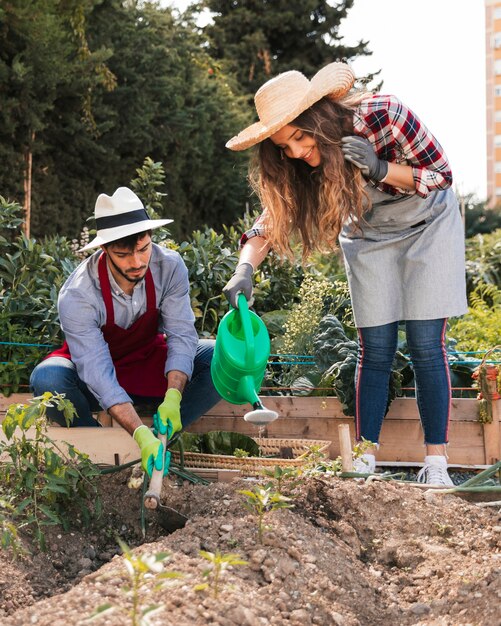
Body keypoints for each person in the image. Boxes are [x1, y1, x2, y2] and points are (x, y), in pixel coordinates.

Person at [222, 62, 467, 486]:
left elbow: (441, 175)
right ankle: (366, 457)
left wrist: (379, 169)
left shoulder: (385, 114)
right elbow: (271, 220)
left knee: (426, 344)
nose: (296, 152)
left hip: (427, 224)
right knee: (375, 347)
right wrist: (244, 268)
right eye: (285, 145)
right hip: (370, 234)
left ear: (321, 117)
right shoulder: (297, 164)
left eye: (300, 136)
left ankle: (436, 464)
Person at [30, 187, 221, 476]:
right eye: (123, 254)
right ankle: (102, 450)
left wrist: (173, 397)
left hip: (146, 363)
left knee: (218, 357)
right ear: (104, 250)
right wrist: (136, 433)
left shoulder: (169, 267)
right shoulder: (78, 294)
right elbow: (96, 369)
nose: (137, 262)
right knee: (48, 379)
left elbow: (181, 335)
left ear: (151, 238)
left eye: (144, 249)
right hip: (92, 377)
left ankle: (162, 441)